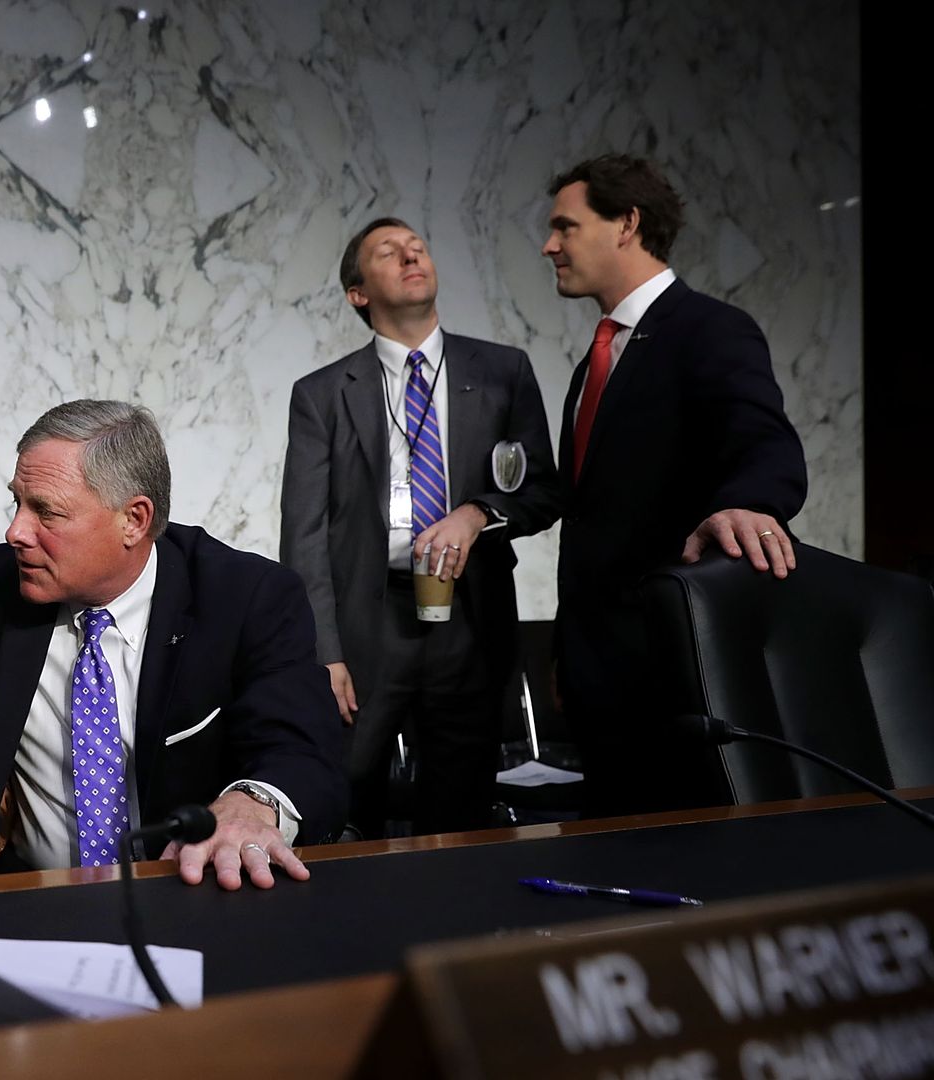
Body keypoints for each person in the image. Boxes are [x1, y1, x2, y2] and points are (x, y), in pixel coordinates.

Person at [0, 401, 346, 889]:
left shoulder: (247, 598)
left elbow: (304, 749)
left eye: (47, 511)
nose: (16, 531)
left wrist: (252, 803)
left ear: (134, 519)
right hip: (26, 894)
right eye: (17, 502)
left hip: (189, 894)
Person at [540, 154, 807, 816]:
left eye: (565, 227)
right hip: (596, 679)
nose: (550, 246)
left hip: (675, 676)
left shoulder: (711, 330)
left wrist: (748, 503)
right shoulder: (592, 365)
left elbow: (765, 442)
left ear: (626, 223)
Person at [281, 218, 563, 837]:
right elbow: (303, 536)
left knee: (460, 814)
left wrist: (477, 512)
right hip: (366, 629)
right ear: (359, 292)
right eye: (389, 252)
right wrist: (321, 653)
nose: (411, 255)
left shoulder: (501, 372)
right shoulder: (322, 394)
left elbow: (542, 490)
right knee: (348, 808)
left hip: (471, 621)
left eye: (418, 247)